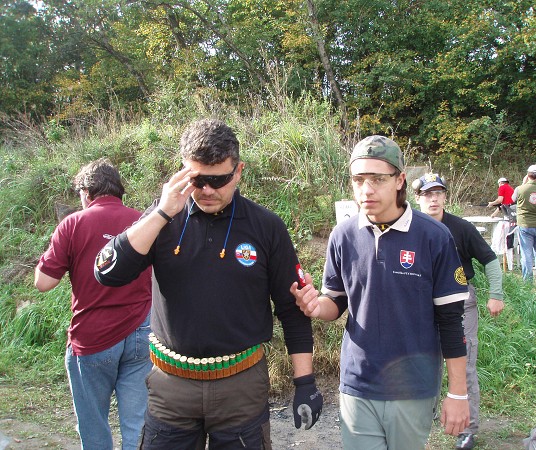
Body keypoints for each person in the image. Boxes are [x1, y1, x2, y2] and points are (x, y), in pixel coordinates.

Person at [94, 118, 322, 450]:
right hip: (171, 387)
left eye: (219, 179)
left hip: (240, 387)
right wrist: (161, 212)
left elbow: (293, 308)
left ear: (239, 171)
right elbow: (109, 273)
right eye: (198, 179)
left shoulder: (266, 227)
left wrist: (305, 382)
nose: (208, 191)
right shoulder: (162, 221)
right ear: (183, 172)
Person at [290, 135, 470, 450]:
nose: (367, 189)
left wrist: (458, 393)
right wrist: (314, 306)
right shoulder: (343, 235)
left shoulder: (434, 237)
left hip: (413, 386)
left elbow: (452, 323)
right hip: (357, 383)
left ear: (400, 180)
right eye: (359, 180)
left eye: (377, 179)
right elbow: (337, 302)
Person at [34, 158, 152, 450]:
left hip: (92, 336)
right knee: (138, 424)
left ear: (86, 192)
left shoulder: (73, 223)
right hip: (142, 331)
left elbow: (44, 282)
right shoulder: (144, 221)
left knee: (93, 423)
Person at [414, 173, 505, 450]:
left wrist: (496, 294)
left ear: (445, 196)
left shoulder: (461, 227)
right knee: (421, 365)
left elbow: (489, 259)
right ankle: (419, 423)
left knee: (465, 366)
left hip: (461, 303)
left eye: (438, 192)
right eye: (428, 193)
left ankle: (468, 429)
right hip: (420, 304)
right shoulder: (409, 229)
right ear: (417, 198)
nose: (434, 198)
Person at [511, 165, 536, 285]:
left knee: (526, 253)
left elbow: (513, 199)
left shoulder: (520, 189)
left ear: (528, 175)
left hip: (525, 224)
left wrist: (523, 184)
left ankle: (527, 279)